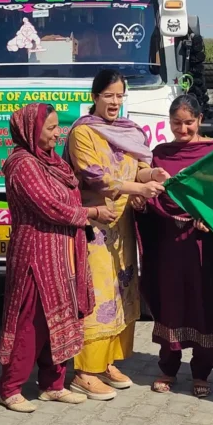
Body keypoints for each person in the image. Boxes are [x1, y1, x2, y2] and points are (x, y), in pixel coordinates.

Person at [64, 68, 168, 400]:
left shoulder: (128, 130)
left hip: (122, 225)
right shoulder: (83, 133)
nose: (114, 102)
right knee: (97, 295)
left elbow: (137, 164)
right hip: (94, 227)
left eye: (120, 96)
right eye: (108, 95)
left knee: (122, 292)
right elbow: (97, 178)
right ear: (94, 97)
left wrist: (152, 172)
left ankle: (107, 361)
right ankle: (84, 371)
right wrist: (139, 185)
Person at [136, 94, 213, 399]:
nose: (182, 129)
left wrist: (209, 218)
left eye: (188, 122)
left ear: (199, 120)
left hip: (202, 245)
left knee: (203, 305)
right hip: (169, 243)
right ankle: (168, 368)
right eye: (176, 123)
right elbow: (154, 195)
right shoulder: (160, 154)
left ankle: (201, 372)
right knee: (170, 303)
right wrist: (141, 203)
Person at [0, 103, 98, 412]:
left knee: (64, 318)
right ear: (31, 130)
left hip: (63, 254)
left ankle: (53, 384)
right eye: (51, 128)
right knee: (31, 322)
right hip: (35, 256)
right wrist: (91, 213)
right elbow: (50, 206)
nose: (58, 133)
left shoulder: (54, 162)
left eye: (58, 126)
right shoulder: (22, 164)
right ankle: (10, 387)